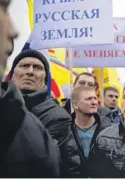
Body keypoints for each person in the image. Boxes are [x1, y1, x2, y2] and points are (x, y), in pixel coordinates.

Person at [0, 0, 60, 177]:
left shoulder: (33, 131)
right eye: (2, 4)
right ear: (13, 72)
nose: (14, 31)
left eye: (37, 67)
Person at [9, 49, 79, 177]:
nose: (30, 71)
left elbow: (38, 163)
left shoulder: (59, 117)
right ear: (12, 75)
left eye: (37, 68)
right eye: (24, 66)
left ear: (44, 79)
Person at [70, 86, 112, 177]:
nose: (94, 102)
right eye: (88, 99)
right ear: (75, 105)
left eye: (95, 98)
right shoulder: (65, 129)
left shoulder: (108, 128)